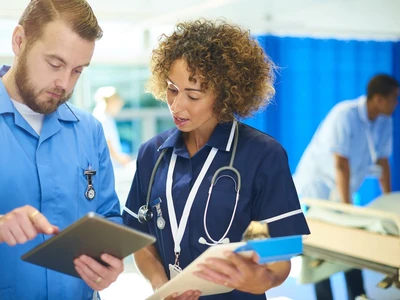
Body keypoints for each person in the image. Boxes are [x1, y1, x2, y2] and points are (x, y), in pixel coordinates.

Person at [123, 19, 310, 300]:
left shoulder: (262, 155)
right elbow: (140, 238)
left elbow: (280, 254)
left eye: (193, 95)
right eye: (172, 89)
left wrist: (260, 280)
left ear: (224, 95)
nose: (176, 105)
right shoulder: (153, 153)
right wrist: (160, 285)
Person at [0, 1, 124, 299]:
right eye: (55, 64)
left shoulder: (89, 130)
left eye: (77, 70)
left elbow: (108, 215)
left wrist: (110, 261)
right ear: (19, 41)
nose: (64, 83)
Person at [293, 74, 399, 300]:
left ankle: (357, 294)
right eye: (394, 98)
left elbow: (382, 161)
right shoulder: (345, 115)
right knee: (321, 247)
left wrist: (390, 200)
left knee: (351, 244)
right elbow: (340, 164)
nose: (396, 103)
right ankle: (325, 298)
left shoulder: (384, 121)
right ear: (379, 99)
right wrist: (347, 208)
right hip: (318, 187)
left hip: (343, 188)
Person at [93, 86, 132, 167]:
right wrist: (119, 158)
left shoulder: (107, 117)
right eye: (118, 105)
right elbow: (106, 142)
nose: (118, 108)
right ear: (110, 101)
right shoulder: (102, 118)